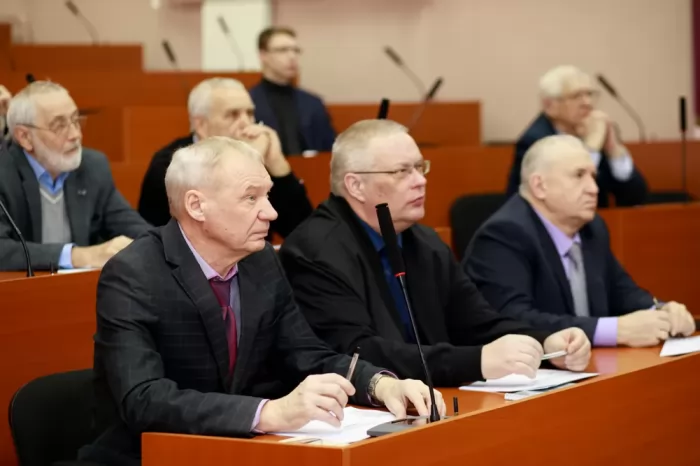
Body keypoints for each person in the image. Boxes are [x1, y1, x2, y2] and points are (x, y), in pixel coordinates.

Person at [79, 137, 445, 466]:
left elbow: (305, 353)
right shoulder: (134, 273)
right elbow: (144, 399)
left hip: (240, 451)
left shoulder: (261, 260)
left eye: (268, 195)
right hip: (147, 457)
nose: (271, 212)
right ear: (197, 205)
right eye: (251, 197)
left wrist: (380, 384)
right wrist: (269, 413)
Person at [278, 120, 591, 387]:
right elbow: (357, 353)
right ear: (356, 185)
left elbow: (478, 324)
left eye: (420, 167)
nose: (421, 181)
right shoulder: (315, 250)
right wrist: (477, 361)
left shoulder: (424, 242)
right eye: (402, 171)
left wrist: (545, 343)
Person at [465, 135, 695, 347]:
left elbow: (622, 291)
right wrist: (615, 330)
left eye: (593, 176)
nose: (594, 189)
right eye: (578, 175)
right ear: (539, 186)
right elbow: (513, 320)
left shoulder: (592, 227)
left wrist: (661, 310)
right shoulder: (504, 235)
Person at [0, 81, 150, 271]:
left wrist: (161, 245)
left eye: (75, 120)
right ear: (25, 137)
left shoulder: (92, 167)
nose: (75, 134)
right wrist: (77, 255)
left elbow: (132, 226)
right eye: (59, 126)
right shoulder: (4, 173)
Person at [138, 78, 312, 237]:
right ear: (201, 125)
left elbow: (303, 233)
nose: (246, 123)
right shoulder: (170, 166)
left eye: (250, 113)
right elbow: (218, 233)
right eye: (233, 115)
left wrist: (278, 165)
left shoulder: (256, 151)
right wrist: (245, 164)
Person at [505, 65, 647, 208]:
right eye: (576, 96)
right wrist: (591, 147)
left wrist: (613, 149)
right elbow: (561, 199)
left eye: (589, 94)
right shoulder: (534, 141)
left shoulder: (593, 130)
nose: (587, 103)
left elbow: (635, 198)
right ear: (549, 105)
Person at [249, 26, 336, 156]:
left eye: (296, 50)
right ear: (263, 55)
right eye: (283, 50)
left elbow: (330, 150)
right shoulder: (249, 102)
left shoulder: (313, 103)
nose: (292, 56)